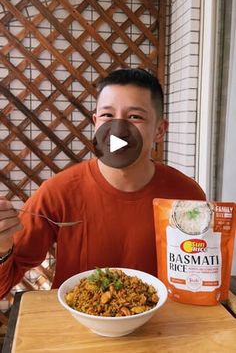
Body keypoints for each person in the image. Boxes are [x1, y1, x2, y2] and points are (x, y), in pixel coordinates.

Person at [0, 68, 205, 298]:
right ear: (96, 123)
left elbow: (199, 278)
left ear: (159, 130)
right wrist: (2, 249)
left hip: (161, 327)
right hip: (77, 326)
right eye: (107, 116)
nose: (118, 130)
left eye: (135, 117)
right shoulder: (58, 192)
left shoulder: (186, 195)